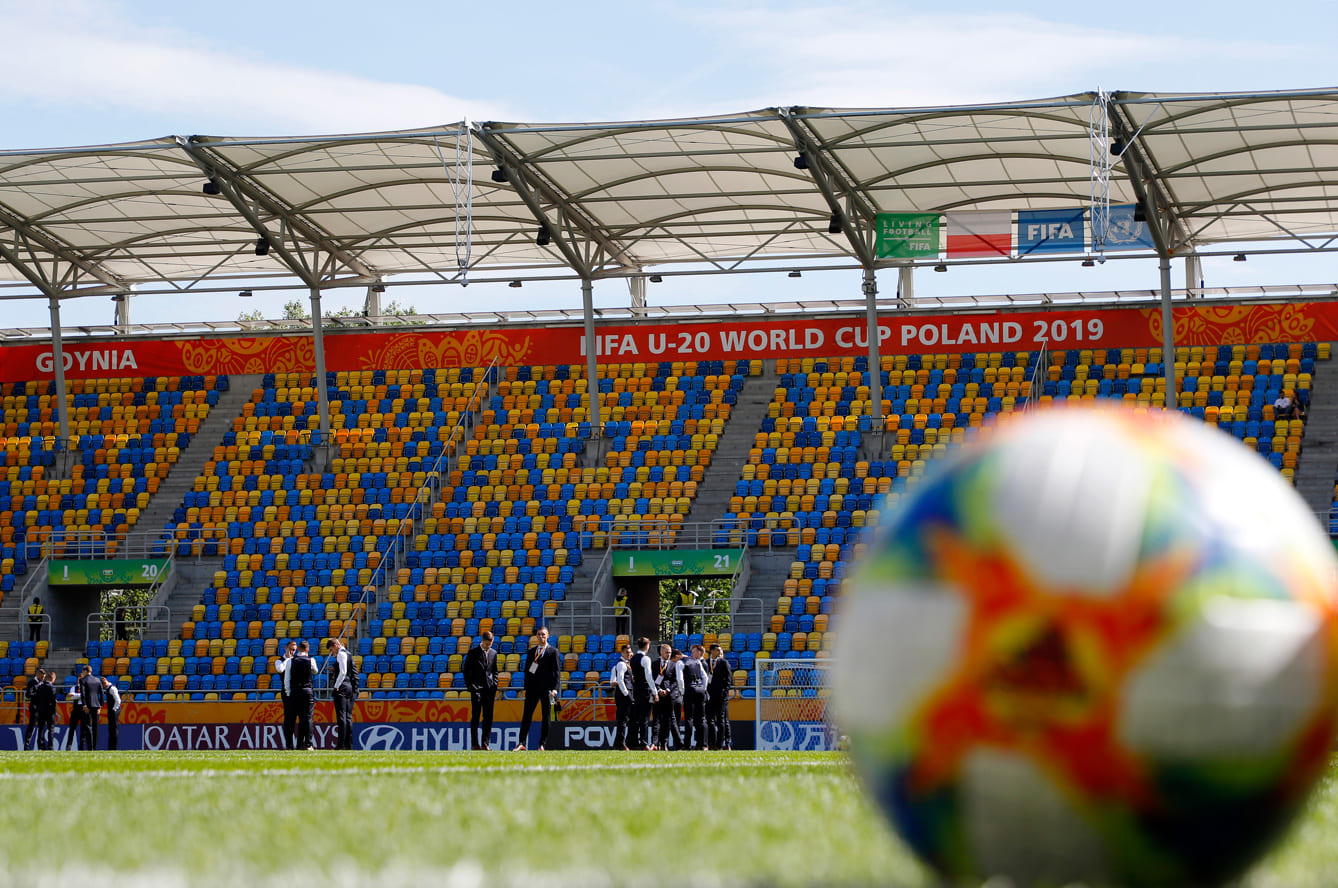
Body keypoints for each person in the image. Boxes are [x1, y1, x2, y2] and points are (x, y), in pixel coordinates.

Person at [514, 626, 561, 751]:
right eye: (539, 634)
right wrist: (526, 687)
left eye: (543, 634)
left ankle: (542, 744)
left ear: (548, 636)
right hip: (532, 689)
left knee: (546, 717)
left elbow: (556, 672)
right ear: (536, 636)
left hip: (546, 689)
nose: (541, 637)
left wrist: (555, 689)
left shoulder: (553, 652)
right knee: (527, 716)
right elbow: (528, 671)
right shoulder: (531, 652)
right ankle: (521, 743)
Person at [463, 630, 499, 750]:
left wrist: (494, 685)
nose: (489, 646)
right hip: (476, 689)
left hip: (489, 689)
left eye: (490, 644)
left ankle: (485, 743)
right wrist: (470, 686)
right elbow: (466, 670)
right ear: (482, 641)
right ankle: (474, 744)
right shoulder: (473, 652)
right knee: (476, 716)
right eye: (487, 643)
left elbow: (495, 671)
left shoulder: (493, 653)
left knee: (488, 717)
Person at [652, 643, 684, 751]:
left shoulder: (673, 665)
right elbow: (652, 679)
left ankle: (663, 744)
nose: (669, 654)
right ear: (661, 652)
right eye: (667, 652)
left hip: (669, 697)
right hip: (657, 695)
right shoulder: (654, 664)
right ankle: (654, 743)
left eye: (670, 652)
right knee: (656, 720)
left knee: (667, 721)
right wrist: (659, 690)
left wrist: (668, 690)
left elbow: (675, 681)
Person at [327, 638, 355, 750]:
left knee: (341, 717)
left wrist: (336, 686)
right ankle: (348, 744)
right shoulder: (348, 653)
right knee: (348, 717)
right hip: (349, 686)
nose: (332, 652)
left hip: (342, 687)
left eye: (331, 649)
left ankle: (341, 744)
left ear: (335, 645)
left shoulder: (341, 654)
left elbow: (343, 672)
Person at [288, 640, 317, 750]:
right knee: (308, 718)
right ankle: (308, 744)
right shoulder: (311, 660)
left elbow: (287, 678)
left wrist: (288, 691)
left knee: (299, 718)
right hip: (307, 691)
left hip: (295, 691)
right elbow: (315, 671)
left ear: (299, 649)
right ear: (307, 649)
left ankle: (299, 744)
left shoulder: (291, 661)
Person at [628, 636, 656, 750]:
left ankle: (632, 741)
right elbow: (649, 676)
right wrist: (654, 691)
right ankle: (644, 742)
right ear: (647, 646)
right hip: (645, 689)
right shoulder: (646, 659)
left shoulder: (633, 658)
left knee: (635, 717)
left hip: (636, 689)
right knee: (644, 717)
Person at [682, 644, 709, 750]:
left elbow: (705, 677)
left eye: (693, 652)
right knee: (699, 719)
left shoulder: (702, 663)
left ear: (698, 652)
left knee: (698, 719)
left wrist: (703, 688)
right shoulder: (696, 662)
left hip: (695, 691)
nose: (691, 654)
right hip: (700, 691)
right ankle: (700, 743)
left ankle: (701, 743)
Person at [706, 643, 733, 750]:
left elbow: (728, 680)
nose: (719, 652)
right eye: (717, 650)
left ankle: (720, 744)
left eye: (720, 650)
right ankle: (711, 742)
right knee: (710, 719)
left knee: (721, 720)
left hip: (721, 696)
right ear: (711, 651)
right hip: (709, 696)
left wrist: (724, 692)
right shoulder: (706, 663)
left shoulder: (724, 663)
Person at [274, 640, 298, 749]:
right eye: (291, 649)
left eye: (294, 650)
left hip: (297, 692)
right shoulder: (279, 661)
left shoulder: (296, 660)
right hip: (286, 692)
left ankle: (301, 744)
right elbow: (280, 669)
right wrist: (288, 659)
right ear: (287, 648)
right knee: (289, 719)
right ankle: (289, 744)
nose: (293, 652)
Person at [609, 643, 634, 750]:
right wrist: (627, 694)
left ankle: (619, 743)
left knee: (624, 720)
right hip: (623, 694)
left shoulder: (628, 665)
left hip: (626, 693)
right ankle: (621, 744)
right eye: (627, 652)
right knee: (623, 720)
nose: (629, 654)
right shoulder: (621, 665)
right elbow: (619, 681)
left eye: (630, 652)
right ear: (622, 653)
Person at [79, 665, 103, 751]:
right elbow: (101, 693)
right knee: (95, 727)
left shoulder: (83, 680)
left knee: (88, 726)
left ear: (85, 671)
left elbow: (83, 693)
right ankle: (95, 747)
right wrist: (100, 705)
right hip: (96, 706)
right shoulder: (97, 680)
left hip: (88, 706)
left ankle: (90, 747)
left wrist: (84, 705)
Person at [32, 671, 56, 751]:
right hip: (50, 711)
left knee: (41, 728)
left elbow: (37, 698)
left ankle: (40, 746)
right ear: (52, 678)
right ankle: (50, 746)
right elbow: (53, 700)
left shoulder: (40, 687)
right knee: (51, 729)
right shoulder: (52, 687)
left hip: (41, 710)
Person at [23, 669, 44, 751]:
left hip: (41, 708)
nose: (43, 678)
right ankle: (26, 746)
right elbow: (28, 694)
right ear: (38, 675)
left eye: (44, 677)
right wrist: (38, 695)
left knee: (41, 727)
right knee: (31, 727)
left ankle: (40, 746)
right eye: (42, 677)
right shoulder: (32, 682)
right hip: (34, 708)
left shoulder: (41, 683)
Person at [100, 677, 122, 751]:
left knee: (114, 729)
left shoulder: (112, 689)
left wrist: (114, 709)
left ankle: (113, 747)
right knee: (111, 729)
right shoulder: (109, 689)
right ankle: (111, 747)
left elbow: (118, 700)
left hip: (114, 710)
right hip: (112, 710)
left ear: (105, 683)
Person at [64, 680, 83, 750]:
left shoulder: (86, 687)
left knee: (83, 729)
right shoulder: (73, 688)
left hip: (83, 709)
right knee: (72, 728)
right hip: (75, 709)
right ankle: (68, 746)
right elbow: (71, 697)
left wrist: (75, 695)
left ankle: (82, 747)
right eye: (79, 679)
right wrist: (80, 695)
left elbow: (85, 695)